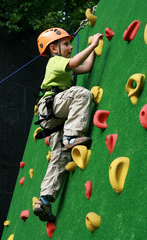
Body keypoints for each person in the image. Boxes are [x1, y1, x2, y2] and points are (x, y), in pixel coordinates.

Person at [33, 27, 103, 222]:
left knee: (58, 157)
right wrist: (92, 45)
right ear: (54, 49)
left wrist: (92, 51)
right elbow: (74, 63)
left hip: (52, 118)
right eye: (66, 44)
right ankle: (71, 137)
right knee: (82, 94)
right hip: (53, 106)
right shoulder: (55, 61)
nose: (71, 47)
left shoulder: (60, 62)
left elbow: (85, 67)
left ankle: (44, 201)